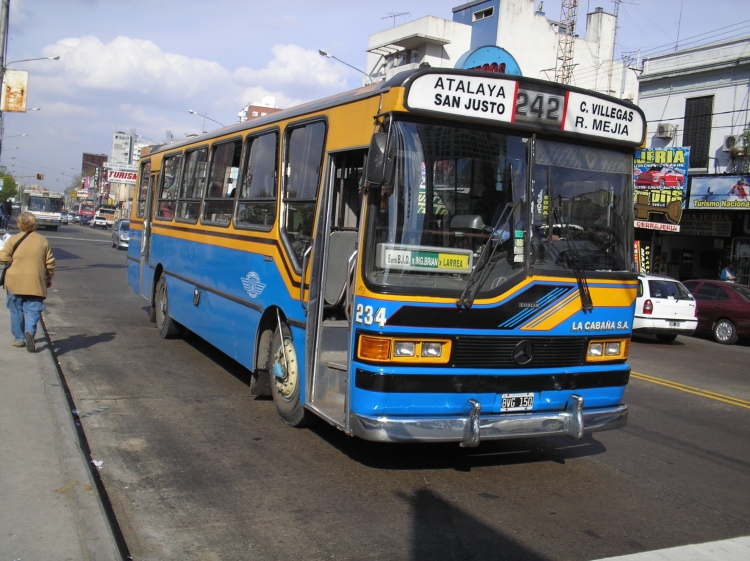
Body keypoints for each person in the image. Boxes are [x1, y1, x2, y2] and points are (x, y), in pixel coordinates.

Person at [0, 212, 55, 351]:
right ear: (34, 224)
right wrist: (49, 277)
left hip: (14, 281)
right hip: (36, 281)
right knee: (33, 310)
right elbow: (50, 263)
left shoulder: (13, 240)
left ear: (19, 224)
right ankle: (29, 332)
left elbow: (3, 258)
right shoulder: (43, 240)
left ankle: (19, 339)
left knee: (16, 310)